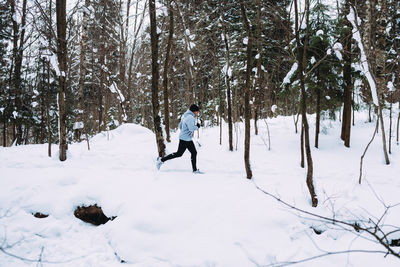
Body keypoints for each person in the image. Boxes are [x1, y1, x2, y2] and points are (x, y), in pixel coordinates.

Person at [157, 104, 201, 173]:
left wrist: (185, 130)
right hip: (185, 139)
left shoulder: (185, 116)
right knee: (179, 154)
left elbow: (180, 126)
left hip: (186, 138)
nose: (197, 113)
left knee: (194, 152)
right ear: (194, 111)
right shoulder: (190, 117)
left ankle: (195, 170)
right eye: (197, 111)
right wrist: (197, 126)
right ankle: (161, 160)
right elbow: (191, 128)